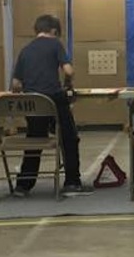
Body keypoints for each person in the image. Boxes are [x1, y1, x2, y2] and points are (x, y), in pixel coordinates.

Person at [10, 15, 85, 194]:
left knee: (35, 138)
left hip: (33, 103)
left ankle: (24, 184)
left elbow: (16, 84)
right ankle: (72, 182)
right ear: (53, 31)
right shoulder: (55, 44)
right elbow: (69, 70)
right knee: (68, 137)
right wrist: (68, 83)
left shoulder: (25, 50)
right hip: (53, 100)